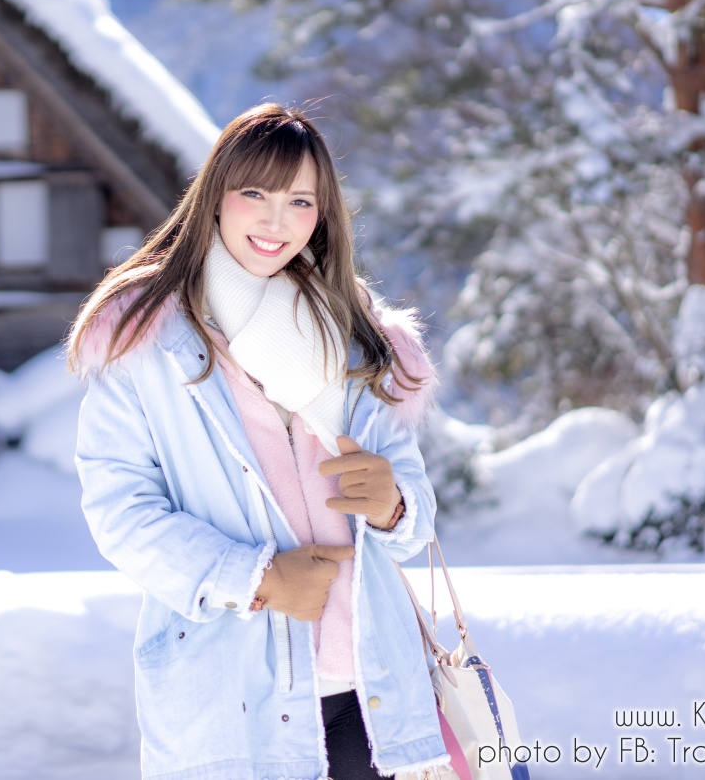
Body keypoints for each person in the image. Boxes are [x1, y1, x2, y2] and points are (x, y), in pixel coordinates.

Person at [69, 103, 449, 780]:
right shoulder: (144, 338)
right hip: (238, 690)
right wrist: (258, 581)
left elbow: (411, 509)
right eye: (256, 194)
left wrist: (395, 503)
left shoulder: (352, 328)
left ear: (322, 215)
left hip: (372, 683)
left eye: (300, 200)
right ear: (216, 197)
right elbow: (120, 511)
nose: (277, 221)